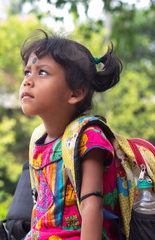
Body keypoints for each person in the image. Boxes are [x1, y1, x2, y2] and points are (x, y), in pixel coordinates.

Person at [19, 29, 123, 240]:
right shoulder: (38, 139)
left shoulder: (87, 137)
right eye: (27, 72)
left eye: (42, 72)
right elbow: (39, 206)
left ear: (75, 93)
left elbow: (91, 205)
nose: (28, 81)